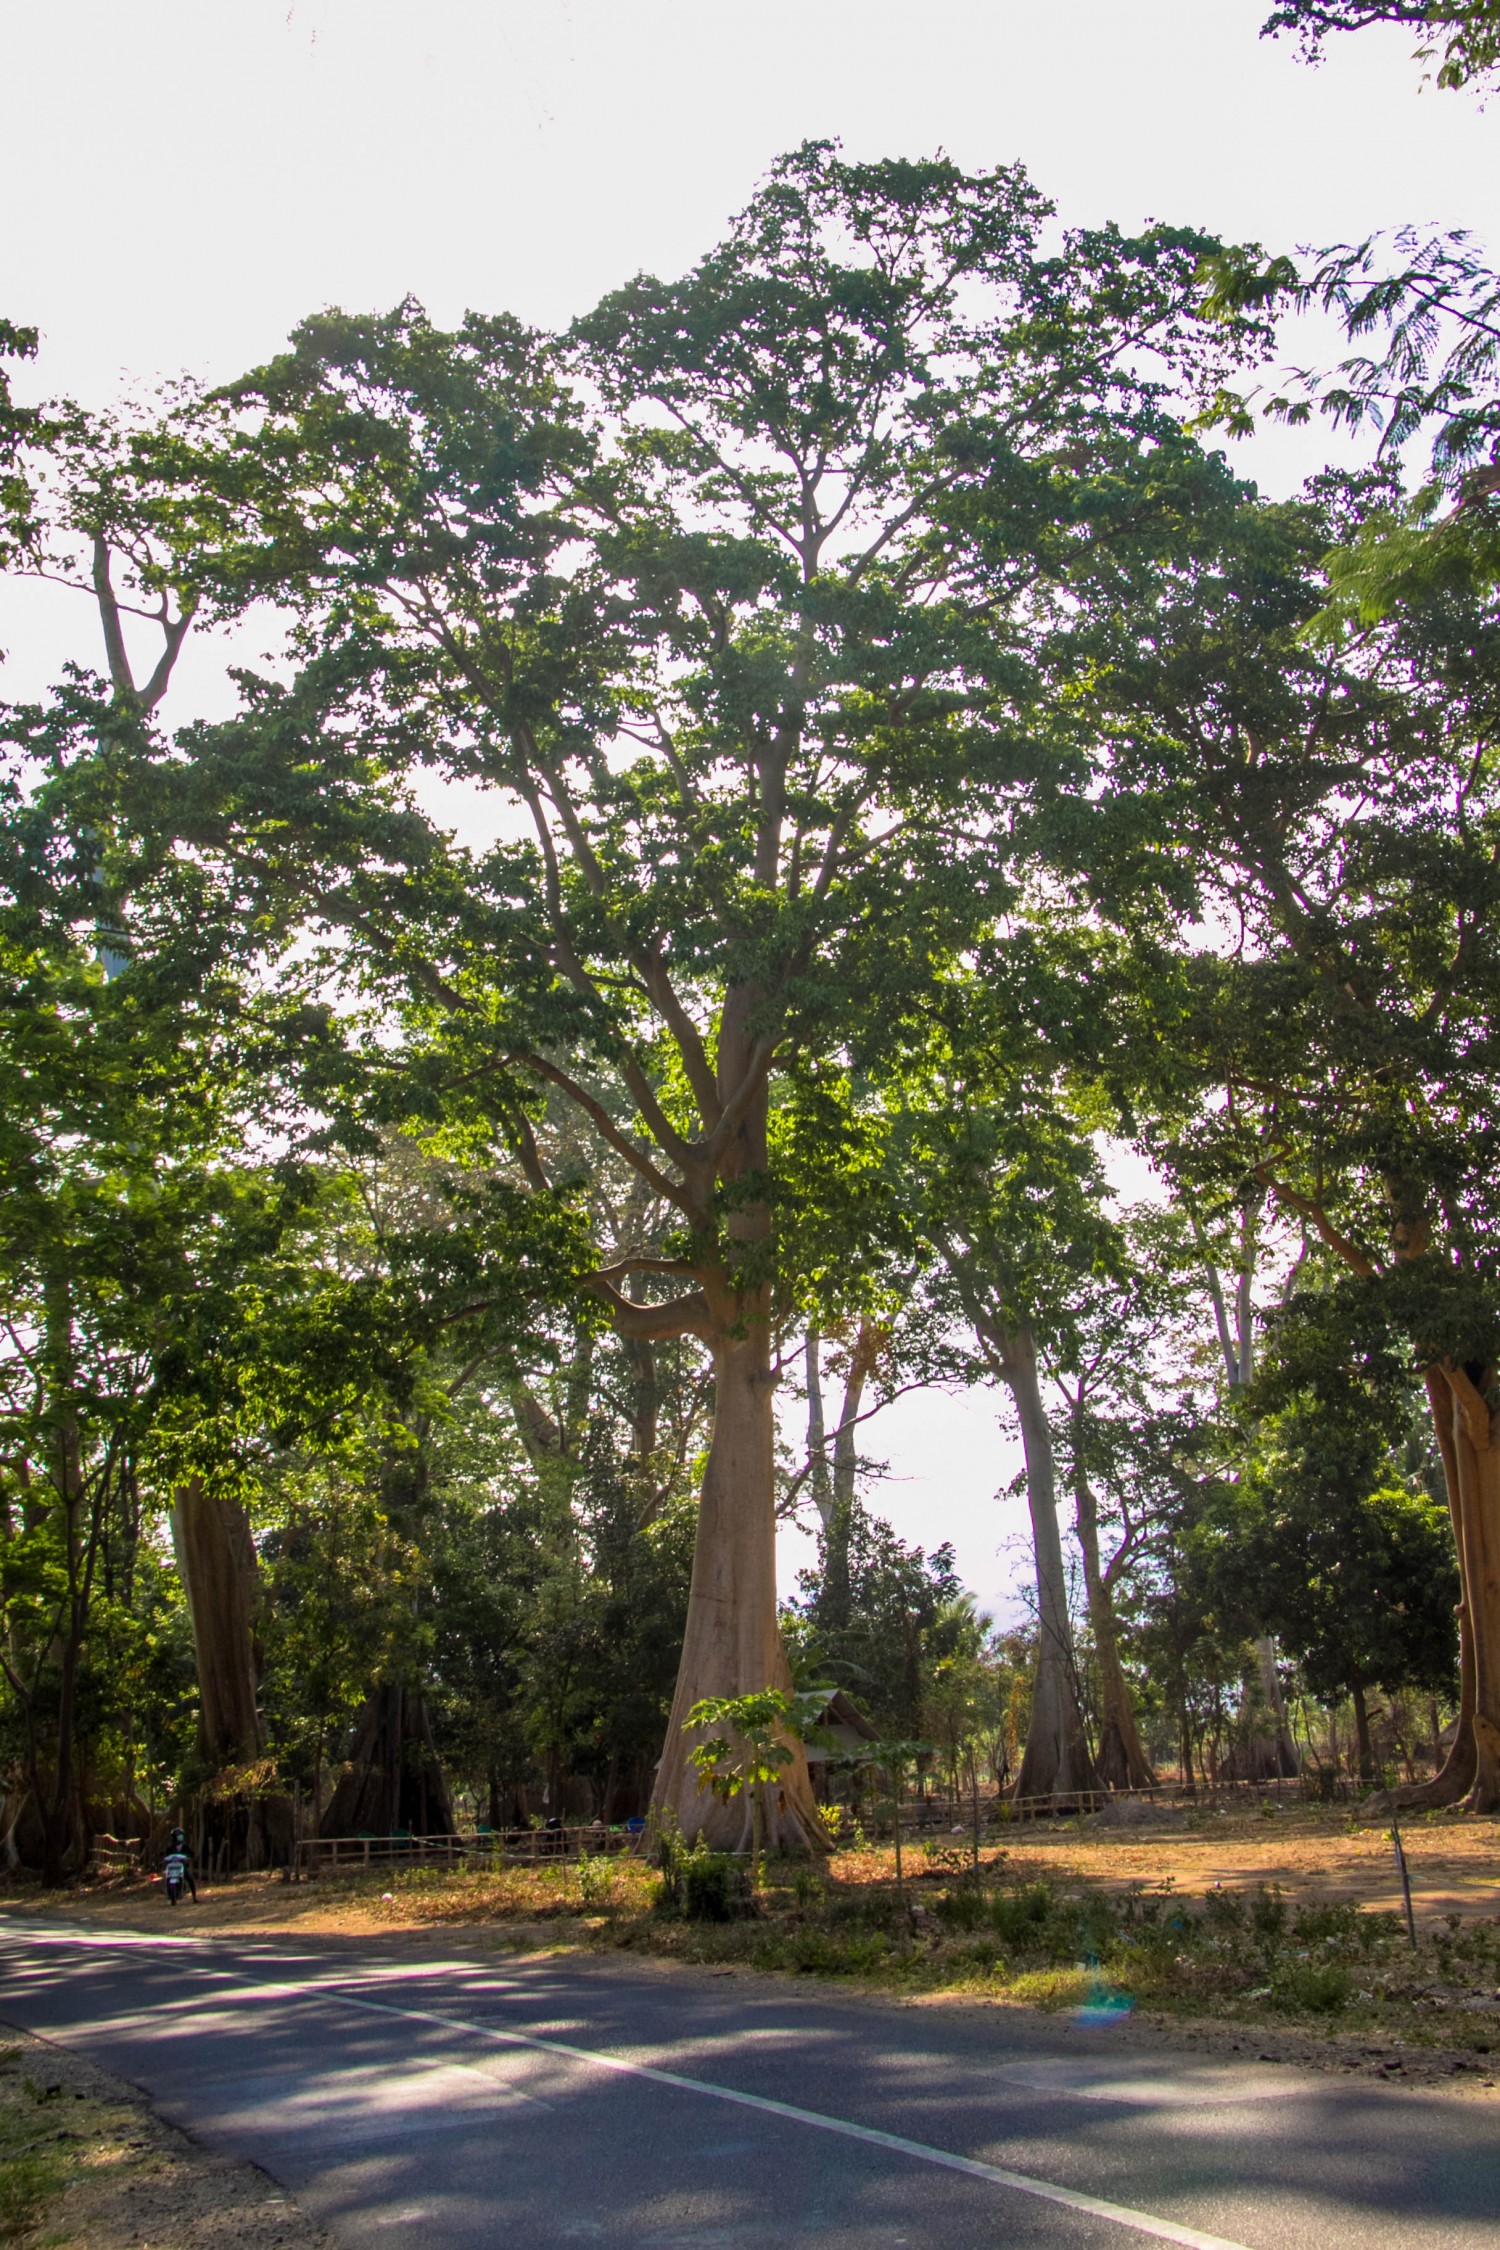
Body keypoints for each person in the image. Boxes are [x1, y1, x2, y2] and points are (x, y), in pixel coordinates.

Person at [163, 1830, 197, 1904]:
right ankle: (169, 1893)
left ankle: (194, 1897)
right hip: (172, 1868)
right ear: (174, 1837)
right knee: (167, 1878)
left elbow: (191, 1854)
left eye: (181, 1835)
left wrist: (189, 1858)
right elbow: (165, 1855)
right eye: (179, 1835)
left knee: (190, 1879)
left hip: (182, 1867)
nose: (181, 1837)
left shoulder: (185, 1846)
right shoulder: (170, 1847)